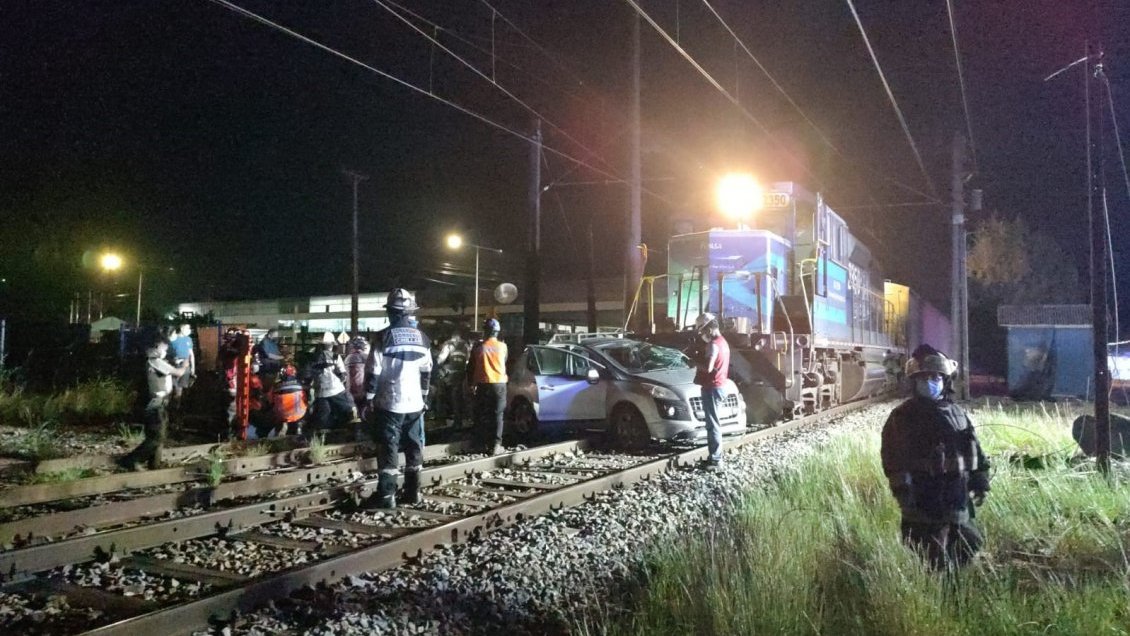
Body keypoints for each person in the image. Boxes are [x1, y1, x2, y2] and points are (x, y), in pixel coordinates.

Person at [881, 344, 990, 570]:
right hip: (925, 504)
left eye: (935, 376)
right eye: (924, 377)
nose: (930, 382)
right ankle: (938, 601)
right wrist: (905, 495)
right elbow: (893, 461)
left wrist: (980, 480)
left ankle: (955, 598)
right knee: (936, 564)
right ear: (914, 382)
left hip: (957, 500)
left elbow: (974, 450)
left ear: (945, 380)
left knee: (969, 545)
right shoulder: (903, 417)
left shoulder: (956, 413)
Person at [364, 288, 432, 508]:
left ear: (391, 313)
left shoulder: (382, 337)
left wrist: (368, 399)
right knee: (413, 446)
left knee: (388, 447)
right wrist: (424, 398)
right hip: (415, 404)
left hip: (390, 403)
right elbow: (426, 371)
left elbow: (373, 370)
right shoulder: (422, 338)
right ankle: (413, 493)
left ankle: (386, 496)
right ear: (409, 312)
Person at [117, 338, 187, 470]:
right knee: (157, 436)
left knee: (159, 436)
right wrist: (185, 364)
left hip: (159, 403)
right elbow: (178, 373)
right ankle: (131, 460)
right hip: (156, 404)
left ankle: (154, 464)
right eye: (164, 349)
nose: (165, 352)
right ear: (157, 348)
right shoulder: (155, 361)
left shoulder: (154, 361)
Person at [692, 312, 730, 470]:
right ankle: (715, 457)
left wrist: (692, 362)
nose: (702, 335)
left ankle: (715, 460)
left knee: (713, 424)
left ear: (709, 329)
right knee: (714, 423)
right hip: (720, 386)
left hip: (712, 388)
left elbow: (708, 368)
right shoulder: (724, 343)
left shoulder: (713, 345)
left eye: (702, 331)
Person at [468, 317, 508, 455]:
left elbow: (471, 368)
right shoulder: (503, 347)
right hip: (499, 384)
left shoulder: (478, 348)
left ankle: (480, 444)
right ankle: (496, 445)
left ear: (485, 332)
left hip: (482, 384)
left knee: (481, 414)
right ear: (497, 332)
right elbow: (505, 361)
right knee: (497, 415)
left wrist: (470, 384)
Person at [307, 332, 356, 438]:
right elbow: (343, 374)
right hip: (336, 390)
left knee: (323, 417)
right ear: (332, 344)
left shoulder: (313, 357)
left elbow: (309, 374)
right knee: (349, 410)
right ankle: (351, 433)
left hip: (320, 393)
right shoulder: (335, 356)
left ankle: (321, 438)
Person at [434, 326, 471, 428]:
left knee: (441, 395)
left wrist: (436, 365)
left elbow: (440, 360)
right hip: (461, 374)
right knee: (458, 397)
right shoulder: (465, 345)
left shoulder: (448, 344)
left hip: (449, 375)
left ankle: (442, 419)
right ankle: (459, 419)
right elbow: (468, 360)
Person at [269, 363, 308, 437]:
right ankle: (299, 426)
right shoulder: (301, 384)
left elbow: (270, 400)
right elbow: (306, 399)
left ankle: (281, 426)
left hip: (281, 415)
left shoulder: (275, 386)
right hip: (299, 414)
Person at [168, 323, 196, 410]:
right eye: (187, 329)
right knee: (175, 387)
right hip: (175, 365)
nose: (189, 331)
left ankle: (178, 406)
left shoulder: (189, 339)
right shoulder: (173, 338)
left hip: (186, 365)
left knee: (182, 387)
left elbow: (191, 354)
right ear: (182, 328)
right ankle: (174, 407)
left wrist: (193, 368)